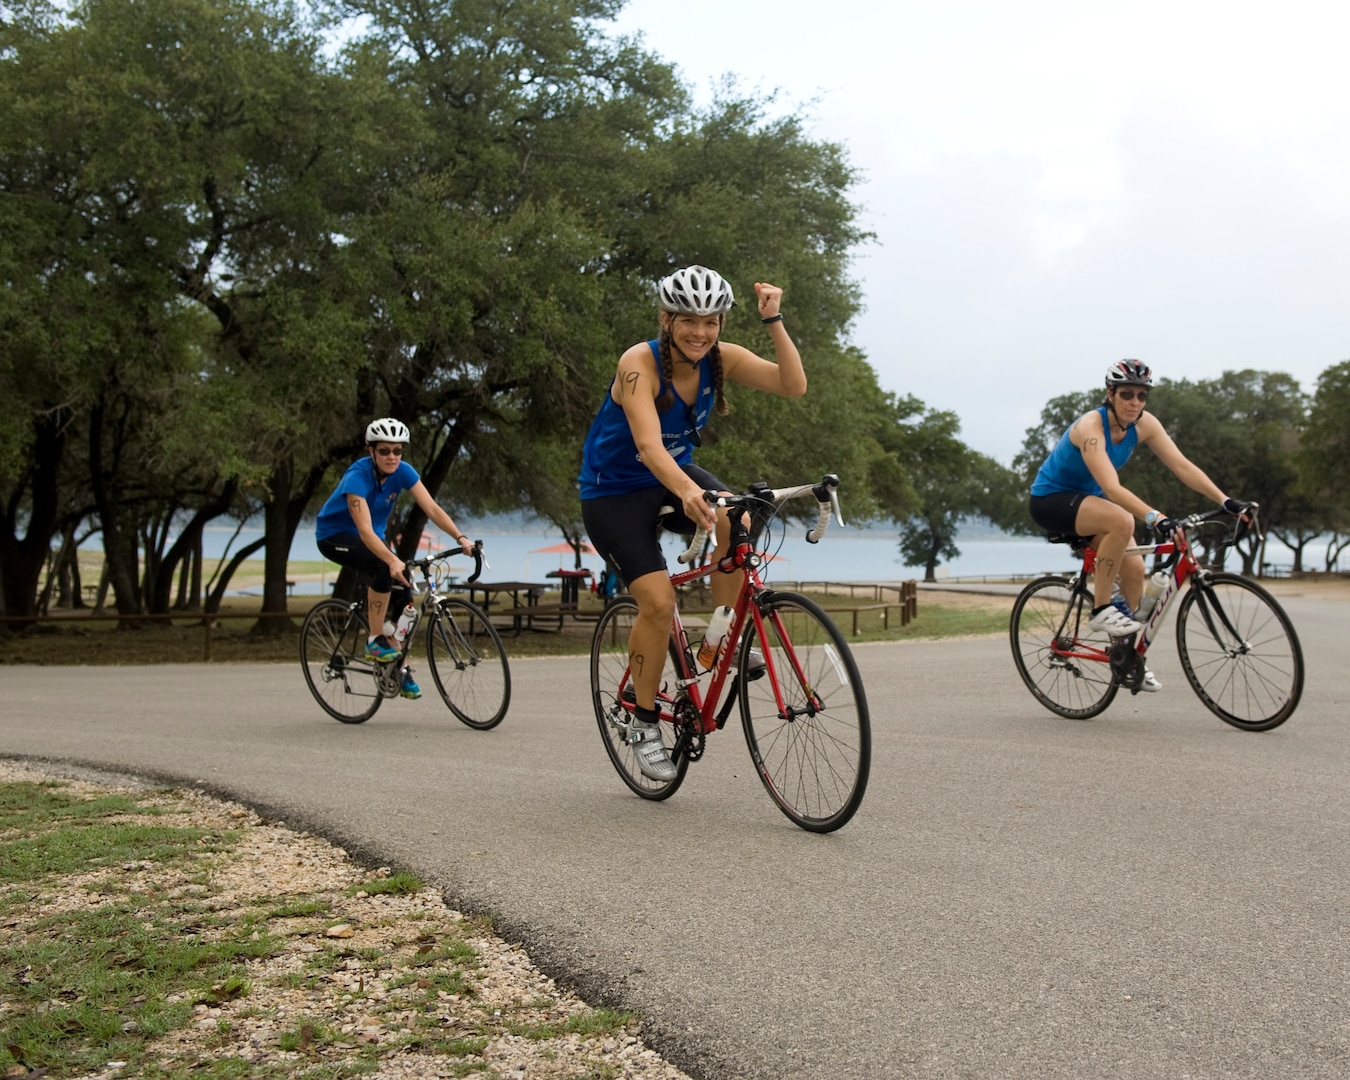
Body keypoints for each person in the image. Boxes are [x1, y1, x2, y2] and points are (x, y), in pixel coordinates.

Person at [579, 265, 807, 780]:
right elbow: (647, 445)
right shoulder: (638, 364)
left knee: (741, 516)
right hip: (613, 494)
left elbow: (793, 385)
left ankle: (718, 639)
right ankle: (641, 721)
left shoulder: (720, 359)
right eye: (689, 321)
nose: (700, 332)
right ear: (666, 318)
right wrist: (687, 491)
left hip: (671, 476)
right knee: (658, 604)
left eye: (711, 321)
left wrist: (774, 320)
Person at [1028, 360, 1250, 691]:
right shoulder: (1091, 427)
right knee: (1122, 519)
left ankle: (1127, 656)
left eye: (1142, 396)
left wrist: (1225, 501)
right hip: (1051, 501)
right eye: (1127, 394)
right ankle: (1101, 609)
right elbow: (1113, 488)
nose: (1135, 402)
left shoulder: (1144, 424)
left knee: (1134, 569)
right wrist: (1156, 518)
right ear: (1111, 394)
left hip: (1089, 505)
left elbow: (1181, 465)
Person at [315, 418, 476, 700]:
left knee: (404, 590)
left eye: (397, 451)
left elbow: (432, 508)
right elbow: (363, 530)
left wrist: (460, 538)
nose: (392, 457)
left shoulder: (403, 472)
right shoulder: (357, 477)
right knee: (382, 565)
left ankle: (398, 669)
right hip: (335, 536)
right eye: (385, 451)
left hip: (372, 538)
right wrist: (390, 559)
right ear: (372, 452)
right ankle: (375, 641)